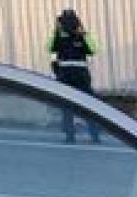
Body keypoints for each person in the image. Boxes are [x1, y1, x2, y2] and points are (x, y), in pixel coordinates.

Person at [48, 8, 101, 144]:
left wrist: (57, 31)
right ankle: (93, 135)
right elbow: (94, 50)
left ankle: (72, 136)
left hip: (66, 74)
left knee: (69, 105)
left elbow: (49, 48)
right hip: (79, 73)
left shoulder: (64, 35)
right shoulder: (67, 35)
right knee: (87, 104)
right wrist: (83, 32)